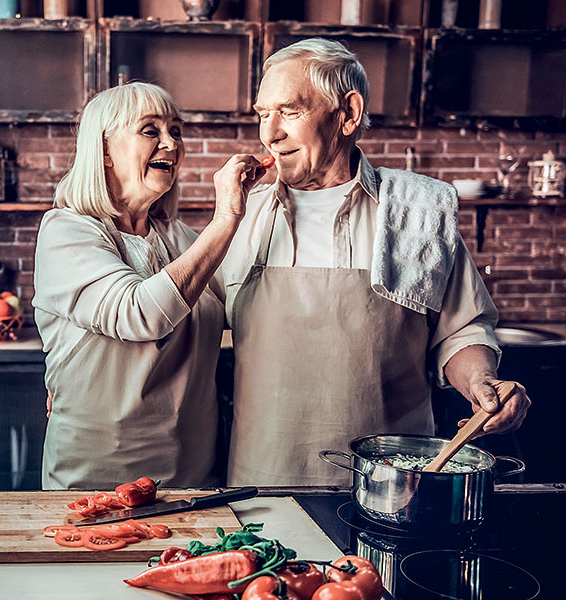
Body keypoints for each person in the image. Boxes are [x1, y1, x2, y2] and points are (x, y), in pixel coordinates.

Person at [222, 38, 531, 486]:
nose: (270, 133)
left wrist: (482, 381)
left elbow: (461, 330)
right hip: (262, 476)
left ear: (348, 113)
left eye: (289, 111)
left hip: (393, 482)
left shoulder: (417, 213)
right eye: (262, 114)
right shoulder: (238, 218)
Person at [33, 82, 267, 489]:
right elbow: (140, 314)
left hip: (194, 476)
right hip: (99, 479)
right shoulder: (66, 231)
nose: (171, 144)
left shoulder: (179, 238)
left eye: (175, 131)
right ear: (105, 150)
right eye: (150, 130)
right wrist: (227, 217)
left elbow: (244, 305)